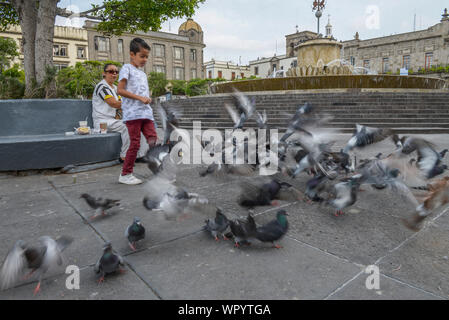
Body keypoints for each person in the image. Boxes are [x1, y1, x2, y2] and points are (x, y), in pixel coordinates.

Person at [117, 38, 158, 185]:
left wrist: (147, 99)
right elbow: (120, 90)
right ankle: (125, 174)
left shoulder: (143, 74)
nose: (145, 59)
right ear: (132, 54)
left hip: (146, 113)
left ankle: (159, 169)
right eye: (142, 56)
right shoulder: (126, 68)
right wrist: (140, 98)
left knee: (153, 140)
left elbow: (142, 92)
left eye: (147, 56)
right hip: (133, 114)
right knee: (135, 144)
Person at [92, 64, 149, 163]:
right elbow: (114, 103)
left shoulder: (114, 88)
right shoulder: (102, 87)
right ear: (104, 73)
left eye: (116, 72)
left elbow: (122, 105)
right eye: (110, 71)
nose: (114, 74)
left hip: (113, 121)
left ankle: (140, 155)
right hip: (102, 122)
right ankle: (124, 157)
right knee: (127, 126)